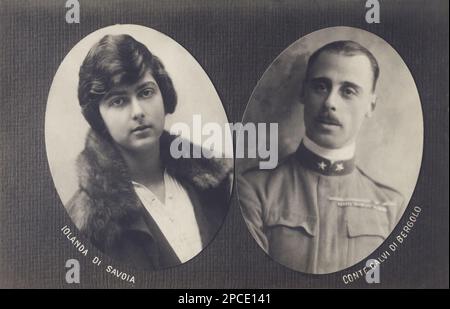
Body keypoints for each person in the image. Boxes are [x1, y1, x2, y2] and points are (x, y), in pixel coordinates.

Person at [66, 34, 232, 270]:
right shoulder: (87, 223)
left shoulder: (217, 184)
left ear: (164, 95)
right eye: (118, 101)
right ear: (98, 116)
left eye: (145, 92)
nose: (138, 111)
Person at [238, 40, 404, 274]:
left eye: (348, 91)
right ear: (303, 93)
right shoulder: (255, 190)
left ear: (371, 105)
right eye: (321, 87)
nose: (330, 102)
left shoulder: (392, 206)